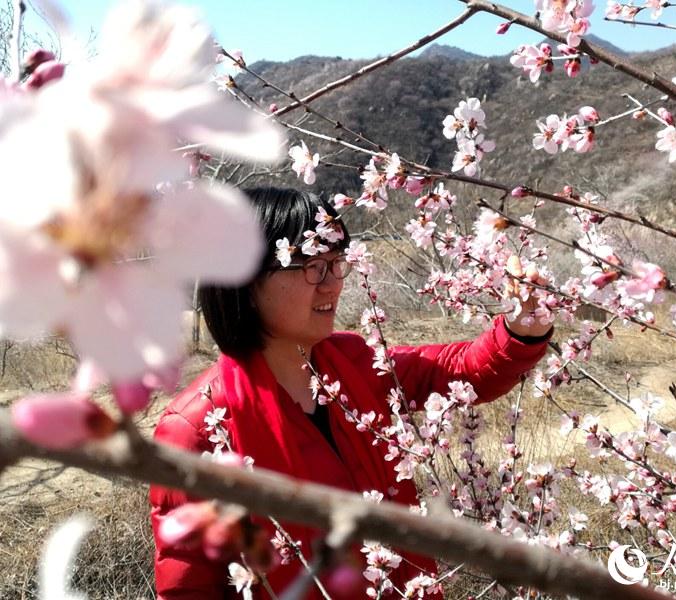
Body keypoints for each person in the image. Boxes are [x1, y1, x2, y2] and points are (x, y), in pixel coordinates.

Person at [150, 186, 554, 600]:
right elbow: (188, 589)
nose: (333, 285)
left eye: (336, 264)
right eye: (313, 268)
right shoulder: (197, 430)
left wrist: (520, 330)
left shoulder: (355, 364)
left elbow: (458, 372)